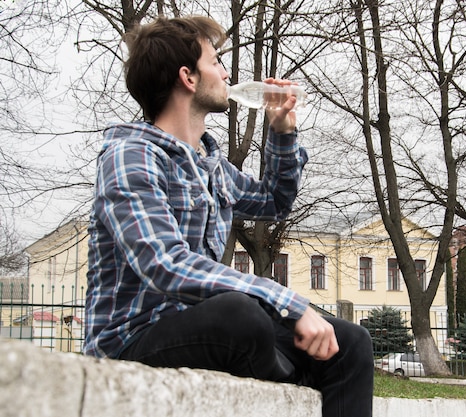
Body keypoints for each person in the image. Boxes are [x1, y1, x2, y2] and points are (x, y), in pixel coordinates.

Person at [83, 15, 373, 417]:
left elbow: (273, 202)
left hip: (209, 330)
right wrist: (291, 305)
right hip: (132, 339)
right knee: (241, 314)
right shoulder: (130, 156)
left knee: (350, 342)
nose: (225, 73)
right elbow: (166, 264)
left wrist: (282, 133)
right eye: (215, 62)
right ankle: (297, 380)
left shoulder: (211, 167)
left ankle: (299, 376)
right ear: (188, 77)